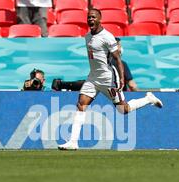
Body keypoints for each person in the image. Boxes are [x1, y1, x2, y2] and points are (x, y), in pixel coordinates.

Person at [58, 8, 163, 151]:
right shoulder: (87, 36)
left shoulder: (107, 36)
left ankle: (148, 99)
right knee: (81, 104)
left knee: (123, 110)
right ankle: (73, 142)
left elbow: (117, 59)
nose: (91, 19)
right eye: (89, 17)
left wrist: (121, 78)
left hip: (109, 79)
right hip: (93, 77)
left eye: (93, 17)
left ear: (100, 19)